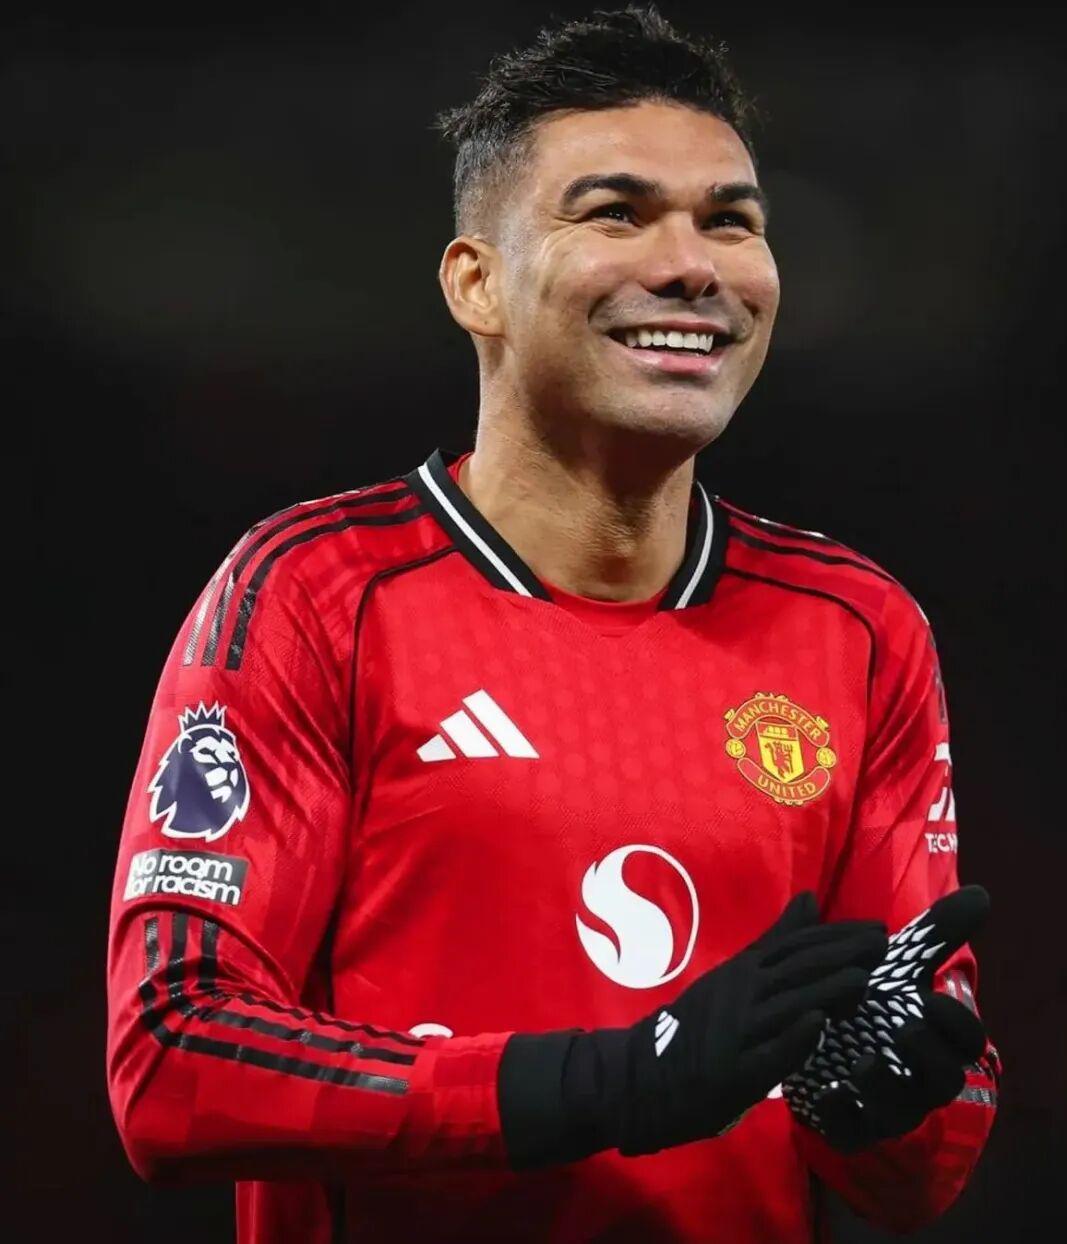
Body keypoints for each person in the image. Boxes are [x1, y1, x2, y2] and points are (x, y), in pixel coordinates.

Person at [106, 6, 1000, 1241]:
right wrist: (612, 1081)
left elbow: (924, 1169)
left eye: (731, 221)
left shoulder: (856, 626)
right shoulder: (314, 594)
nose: (693, 265)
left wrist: (893, 1096)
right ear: (475, 283)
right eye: (617, 213)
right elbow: (173, 1060)